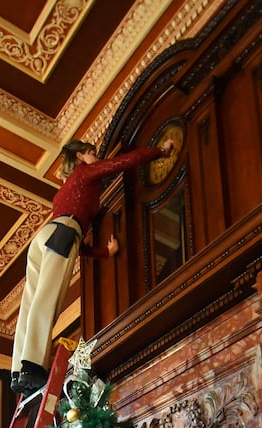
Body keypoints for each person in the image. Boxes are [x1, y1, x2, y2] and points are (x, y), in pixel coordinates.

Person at [11, 137, 176, 396]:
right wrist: (158, 150)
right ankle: (31, 366)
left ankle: (18, 369)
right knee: (47, 299)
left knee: (32, 300)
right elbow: (123, 162)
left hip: (45, 237)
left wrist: (104, 253)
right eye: (92, 152)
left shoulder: (67, 188)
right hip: (64, 232)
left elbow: (77, 245)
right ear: (80, 156)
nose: (97, 157)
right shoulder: (85, 172)